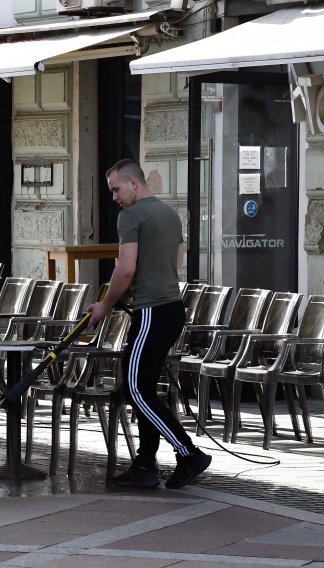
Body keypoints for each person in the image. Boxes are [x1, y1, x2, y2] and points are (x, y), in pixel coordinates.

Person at [86, 159, 211, 490]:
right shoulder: (169, 214)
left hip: (152, 312)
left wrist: (104, 305)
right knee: (144, 388)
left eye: (116, 189)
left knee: (135, 388)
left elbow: (125, 270)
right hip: (172, 308)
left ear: (134, 184)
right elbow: (179, 260)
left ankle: (188, 454)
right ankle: (145, 464)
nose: (114, 197)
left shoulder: (131, 216)